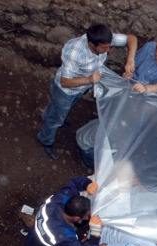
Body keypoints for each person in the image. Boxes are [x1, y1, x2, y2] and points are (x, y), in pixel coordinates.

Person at [76, 33, 157, 169]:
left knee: (124, 125)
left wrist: (146, 88)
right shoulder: (150, 47)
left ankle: (105, 140)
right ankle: (92, 144)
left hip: (145, 100)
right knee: (115, 120)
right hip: (129, 91)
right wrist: (129, 72)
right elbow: (134, 64)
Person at [37, 24, 138, 161]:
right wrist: (88, 79)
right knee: (56, 119)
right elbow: (64, 82)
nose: (108, 50)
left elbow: (132, 39)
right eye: (104, 48)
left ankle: (48, 116)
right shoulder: (75, 52)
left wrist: (130, 59)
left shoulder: (103, 39)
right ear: (92, 44)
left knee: (57, 111)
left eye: (109, 46)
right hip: (66, 91)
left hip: (80, 88)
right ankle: (45, 140)